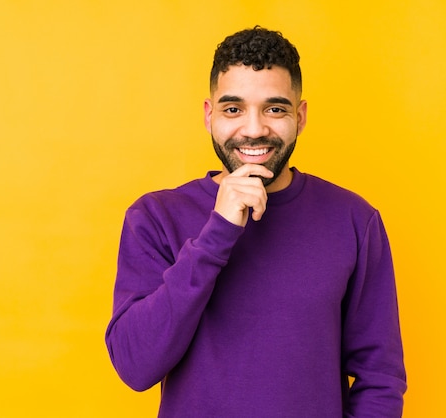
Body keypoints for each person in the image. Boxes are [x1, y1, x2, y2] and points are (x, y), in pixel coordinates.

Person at [105, 26, 407, 417]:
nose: (253, 129)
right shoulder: (154, 218)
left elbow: (379, 377)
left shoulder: (354, 220)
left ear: (300, 116)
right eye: (233, 109)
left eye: (275, 109)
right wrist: (217, 234)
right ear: (209, 115)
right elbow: (135, 366)